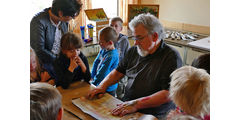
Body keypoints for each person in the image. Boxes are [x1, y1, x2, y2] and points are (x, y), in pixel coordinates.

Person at [87, 13, 182, 119]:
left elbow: (167, 94)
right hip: (129, 105)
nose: (135, 43)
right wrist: (102, 85)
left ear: (154, 36)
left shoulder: (171, 57)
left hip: (155, 114)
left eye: (139, 38)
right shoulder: (134, 51)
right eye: (134, 37)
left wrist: (137, 104)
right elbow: (118, 72)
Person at [30, 0, 83, 80]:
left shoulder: (63, 21)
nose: (71, 19)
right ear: (61, 13)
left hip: (61, 59)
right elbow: (39, 49)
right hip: (46, 62)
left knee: (79, 71)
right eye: (71, 16)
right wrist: (59, 60)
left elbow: (66, 42)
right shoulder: (38, 21)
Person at [91, 26, 119, 96]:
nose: (99, 44)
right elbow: (96, 62)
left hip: (108, 87)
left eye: (101, 42)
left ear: (110, 43)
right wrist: (92, 76)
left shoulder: (112, 55)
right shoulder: (103, 49)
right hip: (100, 83)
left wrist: (94, 83)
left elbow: (103, 72)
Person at [109, 17, 130, 99]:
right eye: (111, 25)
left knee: (120, 91)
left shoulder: (124, 41)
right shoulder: (108, 39)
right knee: (111, 89)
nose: (113, 28)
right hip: (111, 70)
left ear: (120, 28)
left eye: (116, 26)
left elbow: (128, 57)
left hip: (121, 72)